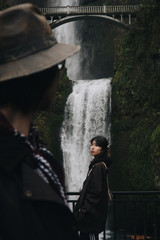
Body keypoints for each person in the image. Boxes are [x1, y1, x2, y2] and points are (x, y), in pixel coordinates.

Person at [0, 3, 80, 240]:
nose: (59, 74)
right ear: (40, 77)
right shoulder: (22, 163)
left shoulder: (34, 156)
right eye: (57, 66)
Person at [73, 136, 112, 240]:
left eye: (96, 145)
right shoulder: (96, 165)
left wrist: (84, 211)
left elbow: (96, 192)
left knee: (91, 237)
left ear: (103, 149)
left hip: (89, 216)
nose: (92, 147)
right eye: (91, 145)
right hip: (88, 216)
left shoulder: (98, 167)